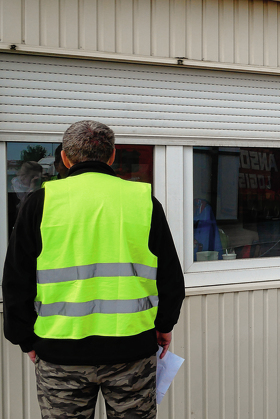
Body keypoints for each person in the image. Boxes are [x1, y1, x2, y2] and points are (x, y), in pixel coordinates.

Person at [2, 120, 185, 419]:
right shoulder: (143, 201)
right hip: (132, 351)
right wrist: (165, 325)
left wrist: (25, 337)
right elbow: (170, 276)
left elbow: (16, 280)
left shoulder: (40, 203)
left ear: (64, 157)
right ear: (112, 156)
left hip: (60, 354)